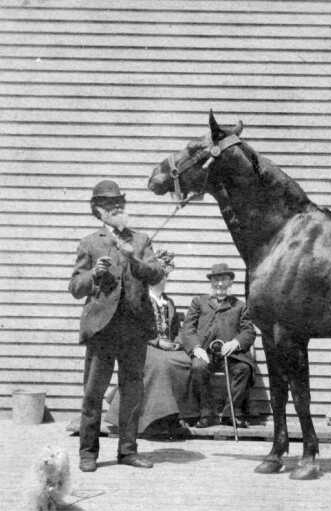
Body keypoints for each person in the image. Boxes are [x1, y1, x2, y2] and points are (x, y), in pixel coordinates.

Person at [69, 179, 164, 472]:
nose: (117, 208)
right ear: (98, 211)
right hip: (102, 329)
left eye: (120, 203)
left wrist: (132, 256)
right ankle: (88, 453)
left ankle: (128, 451)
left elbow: (156, 273)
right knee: (93, 393)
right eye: (110, 205)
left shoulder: (140, 240)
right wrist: (94, 275)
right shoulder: (90, 242)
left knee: (132, 393)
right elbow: (75, 286)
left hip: (134, 328)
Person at [105, 250, 199, 438]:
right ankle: (152, 420)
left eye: (165, 277)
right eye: (158, 276)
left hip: (167, 348)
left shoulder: (168, 302)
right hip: (142, 345)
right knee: (160, 364)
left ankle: (173, 415)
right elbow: (133, 327)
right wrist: (157, 342)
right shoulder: (139, 299)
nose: (162, 280)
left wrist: (177, 343)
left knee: (186, 362)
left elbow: (175, 330)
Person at [180, 263, 257, 428]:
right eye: (216, 280)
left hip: (230, 354)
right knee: (198, 368)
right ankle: (207, 414)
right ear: (211, 282)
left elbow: (249, 331)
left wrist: (236, 342)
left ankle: (231, 413)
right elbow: (188, 328)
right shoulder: (199, 302)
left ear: (230, 282)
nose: (220, 284)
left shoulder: (240, 306)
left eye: (224, 279)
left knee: (243, 368)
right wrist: (195, 347)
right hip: (204, 352)